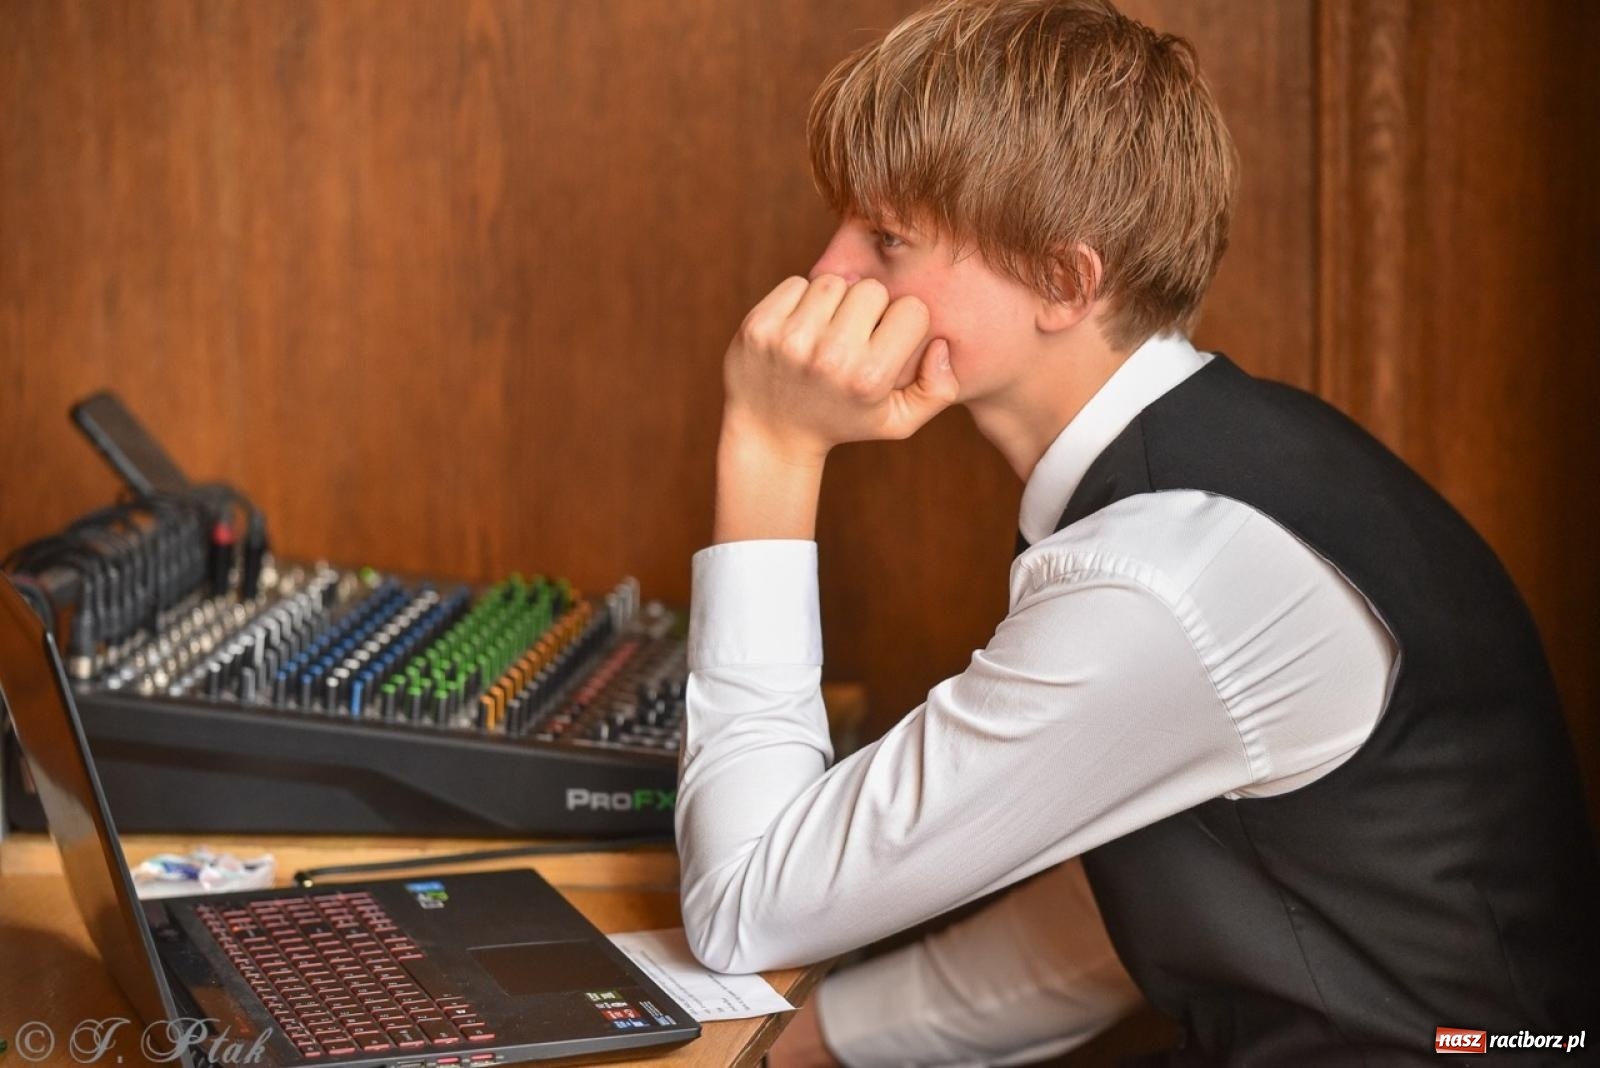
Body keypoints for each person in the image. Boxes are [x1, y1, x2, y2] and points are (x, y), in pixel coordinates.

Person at [674, 0, 1600, 1063]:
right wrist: (814, 1043)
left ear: (1064, 283)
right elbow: (1110, 928)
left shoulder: (1163, 577)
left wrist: (769, 448)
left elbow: (741, 903)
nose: (827, 273)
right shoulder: (1220, 469)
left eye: (886, 237)